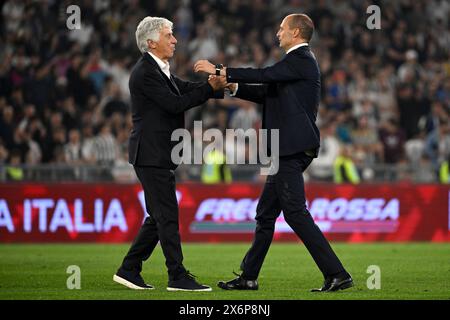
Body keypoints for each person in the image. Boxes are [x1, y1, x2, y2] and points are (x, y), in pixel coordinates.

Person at [194, 13, 353, 292]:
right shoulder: (295, 65)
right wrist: (233, 86)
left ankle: (337, 274)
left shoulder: (301, 59)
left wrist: (221, 70)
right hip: (285, 148)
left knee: (294, 213)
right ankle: (248, 276)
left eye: (282, 29)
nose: (278, 33)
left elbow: (265, 75)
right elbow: (268, 91)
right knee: (266, 214)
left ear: (296, 33)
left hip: (289, 148)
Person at [113, 16, 226, 292]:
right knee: (167, 216)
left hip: (156, 154)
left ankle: (129, 269)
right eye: (169, 35)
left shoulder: (157, 69)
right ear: (151, 42)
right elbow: (175, 104)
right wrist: (209, 89)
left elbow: (183, 89)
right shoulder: (145, 72)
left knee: (158, 217)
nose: (174, 40)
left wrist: (213, 87)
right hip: (152, 154)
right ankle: (177, 276)